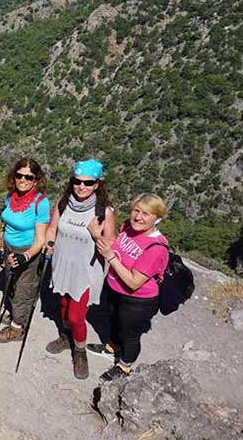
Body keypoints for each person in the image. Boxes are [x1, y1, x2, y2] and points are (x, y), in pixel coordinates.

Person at [44, 159, 116, 380]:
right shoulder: (64, 203)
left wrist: (96, 235)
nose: (81, 186)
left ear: (97, 185)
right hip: (63, 266)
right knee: (64, 307)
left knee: (76, 316)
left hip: (86, 272)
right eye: (77, 181)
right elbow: (52, 229)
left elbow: (110, 247)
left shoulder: (104, 212)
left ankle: (80, 351)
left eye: (88, 183)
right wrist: (49, 242)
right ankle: (67, 337)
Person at [93, 194, 170, 381]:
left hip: (138, 300)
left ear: (157, 219)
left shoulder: (156, 248)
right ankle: (112, 347)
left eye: (146, 214)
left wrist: (110, 256)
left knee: (130, 334)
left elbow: (134, 282)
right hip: (114, 288)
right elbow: (117, 247)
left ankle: (124, 365)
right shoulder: (128, 226)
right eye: (136, 211)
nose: (138, 217)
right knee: (114, 321)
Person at [0, 158, 49, 343]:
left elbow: (41, 239)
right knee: (11, 284)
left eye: (29, 177)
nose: (23, 180)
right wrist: (3, 249)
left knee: (23, 290)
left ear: (36, 180)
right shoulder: (11, 196)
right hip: (9, 248)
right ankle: (18, 315)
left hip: (27, 251)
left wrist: (25, 256)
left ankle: (17, 329)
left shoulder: (41, 203)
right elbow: (6, 226)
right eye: (19, 175)